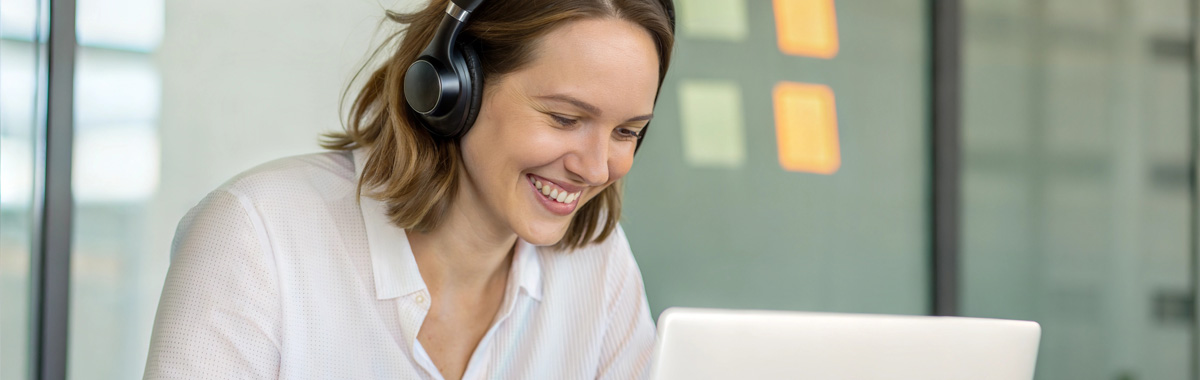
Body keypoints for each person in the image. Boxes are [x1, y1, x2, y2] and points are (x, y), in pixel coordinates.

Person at [142, 0, 675, 379]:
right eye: (564, 118)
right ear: (452, 86)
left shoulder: (597, 266)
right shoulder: (259, 235)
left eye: (626, 131)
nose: (597, 167)